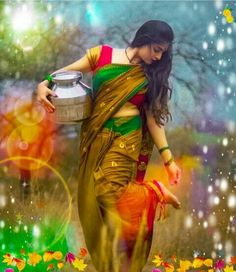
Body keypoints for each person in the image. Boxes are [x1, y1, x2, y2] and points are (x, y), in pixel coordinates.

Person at [37, 20, 182, 272]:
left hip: (127, 137)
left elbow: (153, 118)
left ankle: (154, 192)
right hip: (96, 137)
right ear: (144, 38)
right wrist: (44, 84)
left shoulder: (149, 75)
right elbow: (62, 75)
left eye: (162, 52)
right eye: (156, 49)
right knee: (92, 207)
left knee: (109, 190)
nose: (158, 56)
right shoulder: (101, 55)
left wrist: (168, 159)